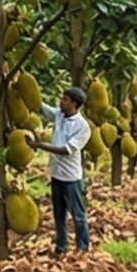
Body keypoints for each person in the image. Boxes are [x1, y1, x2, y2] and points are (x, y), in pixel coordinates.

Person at [31, 87, 92, 255]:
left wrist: (39, 145)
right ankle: (61, 247)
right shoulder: (59, 115)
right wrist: (20, 87)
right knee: (59, 214)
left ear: (74, 103)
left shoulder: (83, 127)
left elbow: (66, 150)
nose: (61, 101)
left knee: (78, 214)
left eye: (65, 99)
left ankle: (83, 247)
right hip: (56, 175)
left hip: (71, 177)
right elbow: (42, 107)